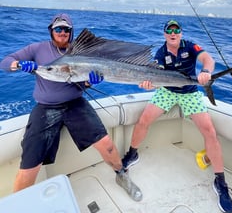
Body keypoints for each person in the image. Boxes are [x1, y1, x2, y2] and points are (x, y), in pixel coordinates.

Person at [0, 13, 142, 202]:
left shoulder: (80, 52)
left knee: (107, 145)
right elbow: (5, 63)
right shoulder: (38, 48)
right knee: (30, 162)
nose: (62, 32)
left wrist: (91, 83)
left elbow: (81, 85)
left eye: (66, 29)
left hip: (76, 104)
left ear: (71, 32)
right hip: (45, 108)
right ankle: (19, 203)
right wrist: (18, 64)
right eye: (58, 29)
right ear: (51, 30)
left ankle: (121, 174)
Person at [122, 20, 232, 213]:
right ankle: (132, 154)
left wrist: (206, 72)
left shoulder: (190, 46)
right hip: (166, 91)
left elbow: (208, 59)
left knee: (210, 132)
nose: (173, 32)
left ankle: (220, 182)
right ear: (164, 34)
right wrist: (148, 83)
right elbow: (153, 74)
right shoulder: (160, 53)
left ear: (180, 33)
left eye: (176, 30)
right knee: (144, 120)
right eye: (169, 30)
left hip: (190, 91)